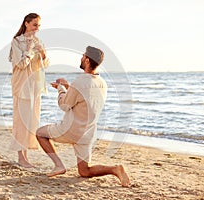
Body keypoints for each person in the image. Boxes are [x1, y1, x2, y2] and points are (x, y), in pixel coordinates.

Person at [36, 46, 130, 187]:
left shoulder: (79, 81)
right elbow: (84, 98)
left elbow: (64, 104)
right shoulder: (102, 83)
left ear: (87, 60)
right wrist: (69, 88)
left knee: (40, 133)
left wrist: (61, 88)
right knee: (84, 171)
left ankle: (58, 165)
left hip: (71, 130)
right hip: (88, 133)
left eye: (83, 56)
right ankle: (115, 169)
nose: (81, 58)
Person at [9, 13, 49, 168]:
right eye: (34, 25)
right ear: (26, 23)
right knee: (21, 120)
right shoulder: (16, 41)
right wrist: (31, 49)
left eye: (39, 25)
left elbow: (44, 65)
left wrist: (43, 53)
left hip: (35, 85)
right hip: (21, 85)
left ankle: (25, 156)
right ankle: (21, 157)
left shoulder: (38, 41)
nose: (37, 29)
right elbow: (21, 64)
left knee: (31, 121)